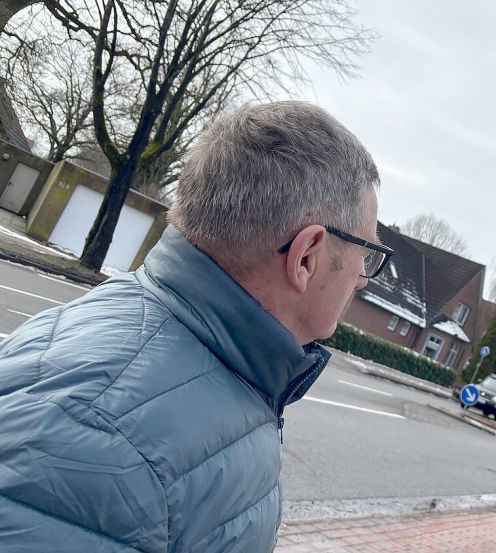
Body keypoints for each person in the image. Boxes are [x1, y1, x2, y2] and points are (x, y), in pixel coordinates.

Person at [0, 101, 391, 552]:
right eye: (367, 254)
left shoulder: (214, 363)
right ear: (307, 256)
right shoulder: (102, 443)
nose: (362, 278)